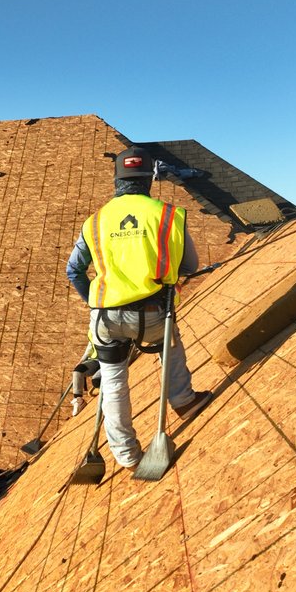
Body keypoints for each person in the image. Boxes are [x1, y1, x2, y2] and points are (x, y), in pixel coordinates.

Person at [66, 146, 212, 472]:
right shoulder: (167, 214)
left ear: (117, 180)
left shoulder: (94, 223)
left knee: (114, 382)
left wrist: (94, 301)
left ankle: (127, 455)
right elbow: (189, 266)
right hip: (152, 314)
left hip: (104, 317)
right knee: (169, 343)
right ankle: (183, 400)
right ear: (148, 179)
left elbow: (73, 270)